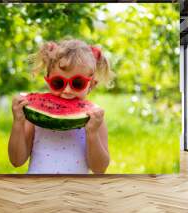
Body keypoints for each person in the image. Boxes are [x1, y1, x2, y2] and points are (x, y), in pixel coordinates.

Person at [8, 39, 115, 174]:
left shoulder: (95, 119)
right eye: (58, 83)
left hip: (76, 192)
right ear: (47, 80)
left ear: (91, 84)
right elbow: (16, 161)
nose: (67, 91)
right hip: (38, 190)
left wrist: (92, 133)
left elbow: (99, 169)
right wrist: (18, 122)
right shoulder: (35, 118)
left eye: (77, 83)